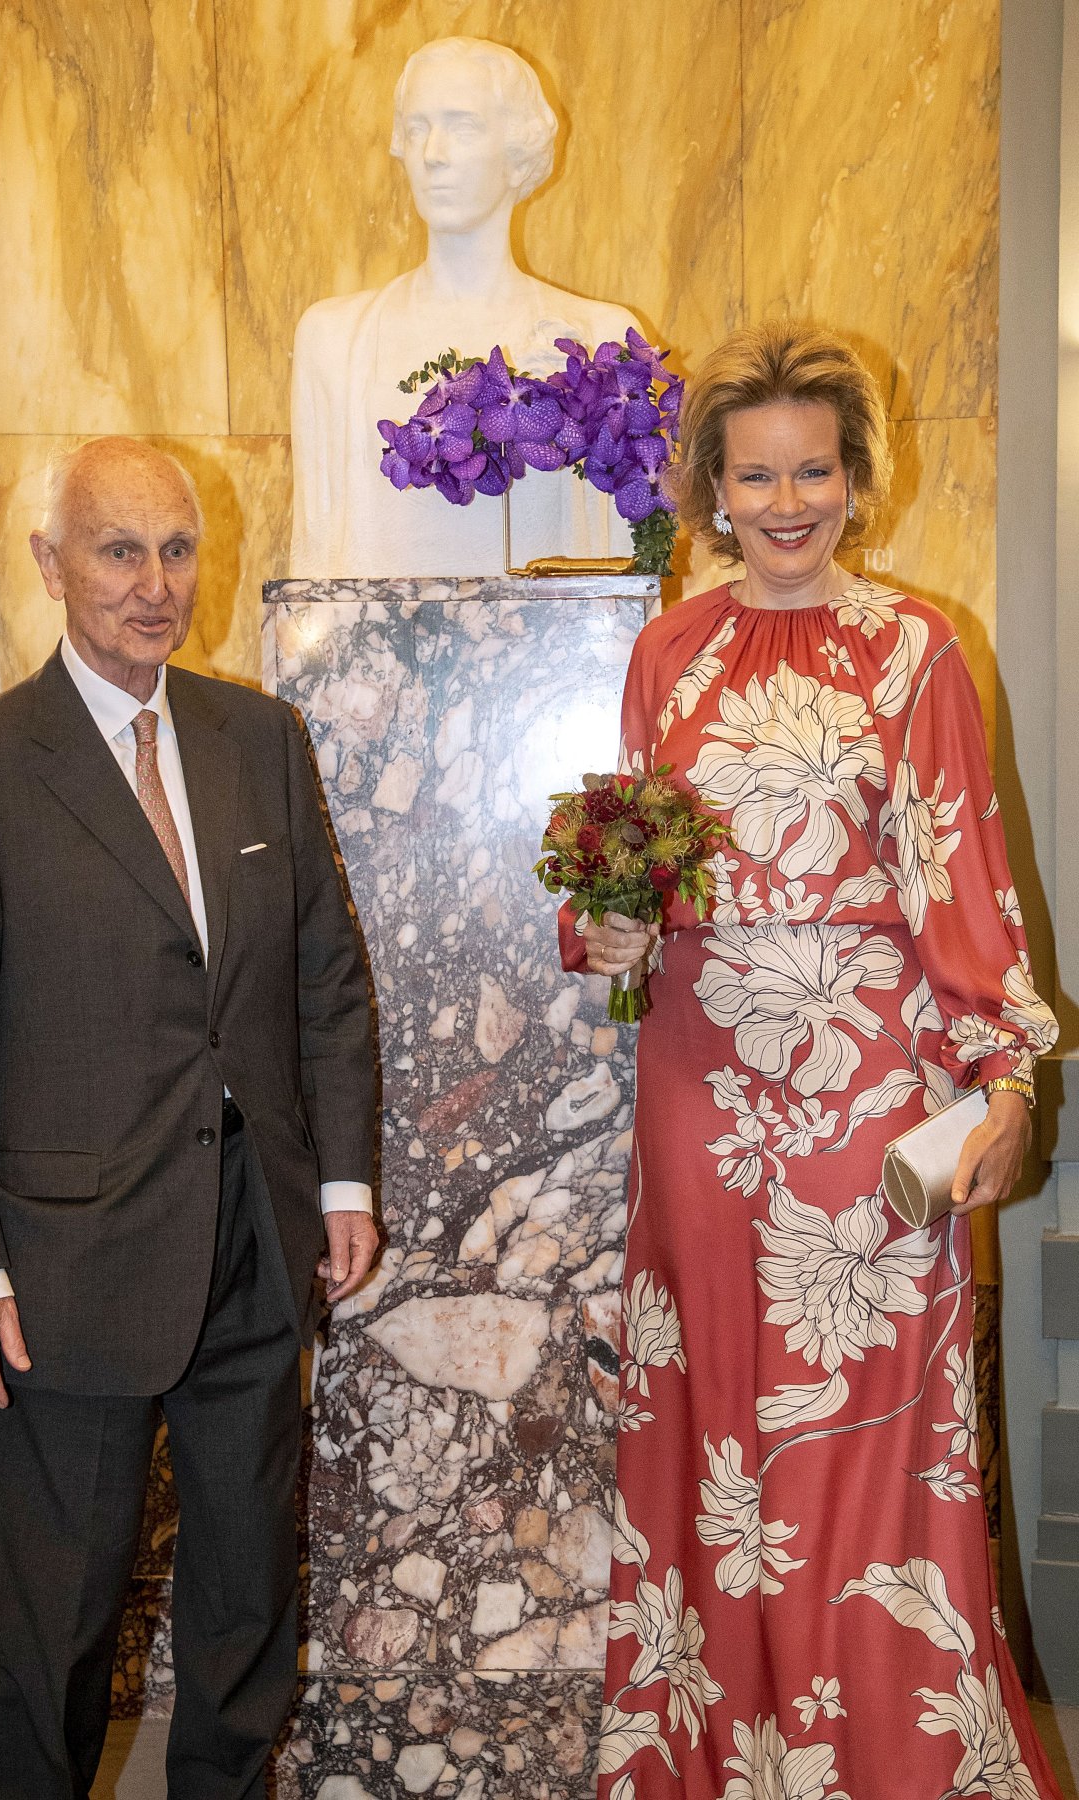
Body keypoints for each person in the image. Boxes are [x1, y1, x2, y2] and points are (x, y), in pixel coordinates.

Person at [566, 324, 1064, 1798]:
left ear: (856, 477)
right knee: (719, 1440)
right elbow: (636, 884)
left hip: (867, 1097)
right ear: (712, 487)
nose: (788, 503)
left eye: (816, 472)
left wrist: (1010, 1073)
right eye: (756, 475)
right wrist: (612, 940)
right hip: (701, 1099)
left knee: (866, 1449)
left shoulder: (917, 648)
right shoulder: (668, 650)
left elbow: (959, 876)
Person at [0, 437, 379, 1799]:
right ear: (49, 565)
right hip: (57, 1274)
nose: (154, 585)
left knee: (244, 1603)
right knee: (49, 1622)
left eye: (175, 549)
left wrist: (342, 1185)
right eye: (118, 551)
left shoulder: (259, 740)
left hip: (254, 1254)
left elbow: (325, 979)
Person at [289, 35, 640, 577]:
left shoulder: (601, 337)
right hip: (377, 658)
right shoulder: (334, 339)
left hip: (551, 655)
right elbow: (310, 569)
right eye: (417, 128)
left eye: (463, 126)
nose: (433, 154)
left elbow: (625, 583)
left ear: (518, 151)